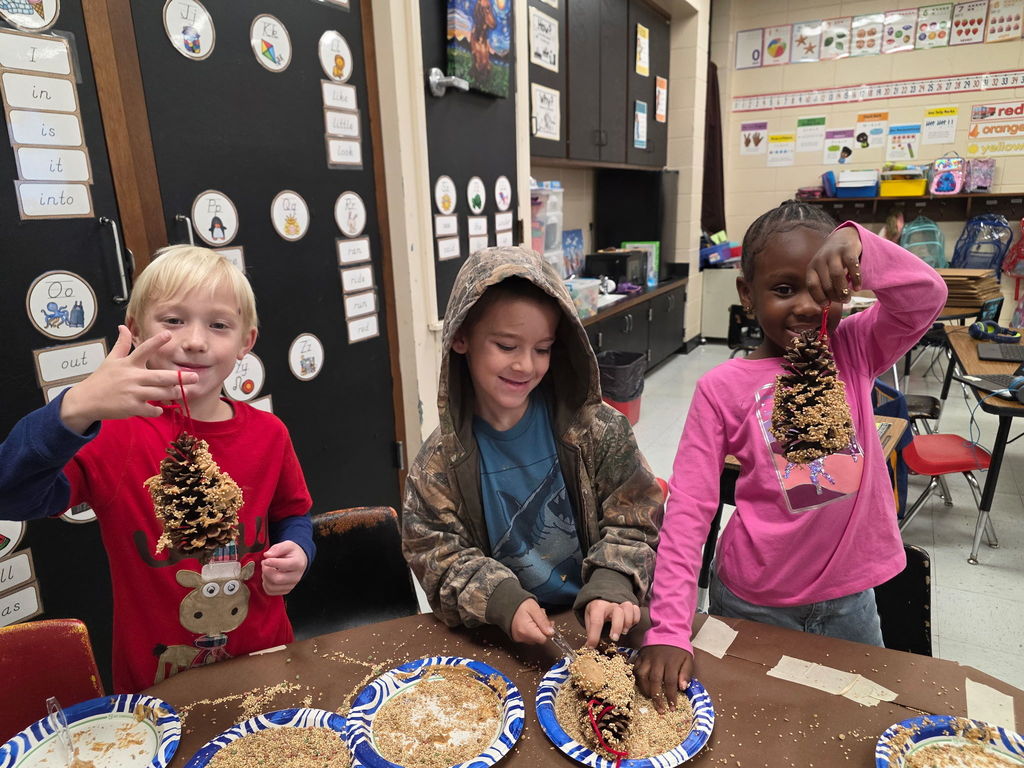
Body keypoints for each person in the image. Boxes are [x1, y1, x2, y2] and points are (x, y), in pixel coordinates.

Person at [636, 202, 947, 707]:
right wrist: (670, 628)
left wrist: (862, 246)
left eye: (823, 290)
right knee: (753, 726)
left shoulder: (854, 348)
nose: (806, 307)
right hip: (754, 601)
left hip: (851, 601)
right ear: (747, 294)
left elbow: (926, 296)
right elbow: (690, 510)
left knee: (859, 720)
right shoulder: (721, 388)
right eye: (784, 289)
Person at [0, 245, 314, 692]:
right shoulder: (110, 433)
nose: (195, 341)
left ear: (246, 342)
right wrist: (73, 409)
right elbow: (11, 494)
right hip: (160, 677)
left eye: (219, 325)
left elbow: (293, 516)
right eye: (172, 321)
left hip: (265, 658)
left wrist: (299, 551)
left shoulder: (270, 434)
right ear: (134, 330)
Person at [402, 246, 661, 648]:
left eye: (542, 349)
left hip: (604, 623)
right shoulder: (436, 467)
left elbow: (636, 517)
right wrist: (500, 600)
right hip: (506, 635)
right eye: (507, 346)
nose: (526, 365)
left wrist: (614, 579)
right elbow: (437, 556)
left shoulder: (598, 430)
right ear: (460, 339)